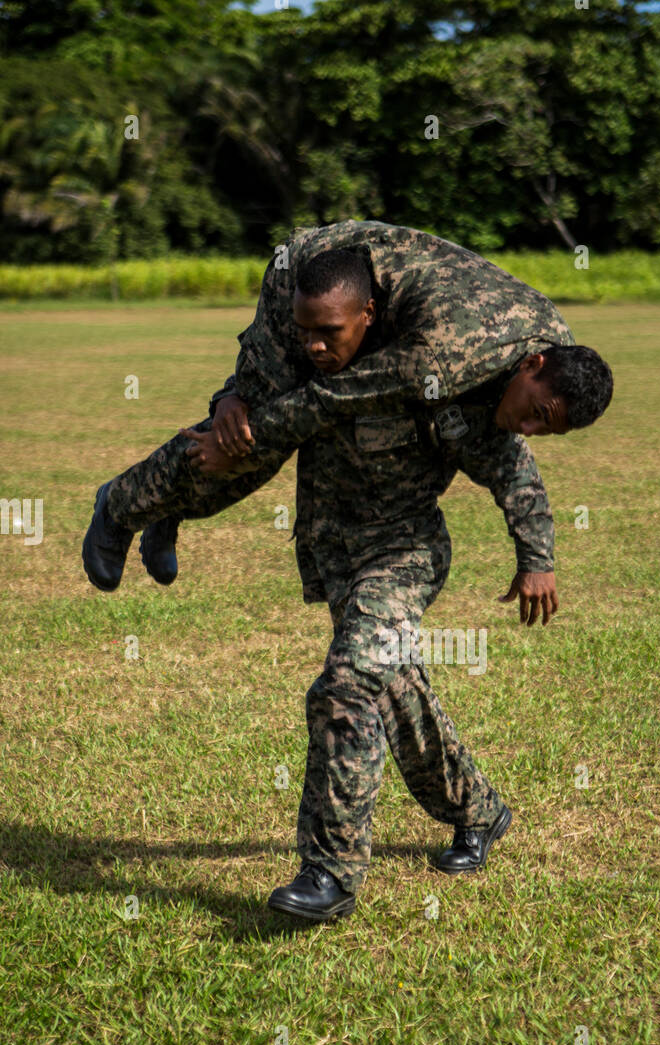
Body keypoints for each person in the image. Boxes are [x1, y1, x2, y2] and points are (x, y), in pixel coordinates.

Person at [82, 225, 613, 923]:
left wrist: (538, 557)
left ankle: (329, 874)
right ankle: (478, 811)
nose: (532, 427)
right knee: (392, 685)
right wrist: (229, 400)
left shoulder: (462, 386)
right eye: (538, 412)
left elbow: (515, 472)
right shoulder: (322, 345)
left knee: (349, 683)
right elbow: (275, 378)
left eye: (549, 424)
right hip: (334, 541)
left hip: (402, 552)